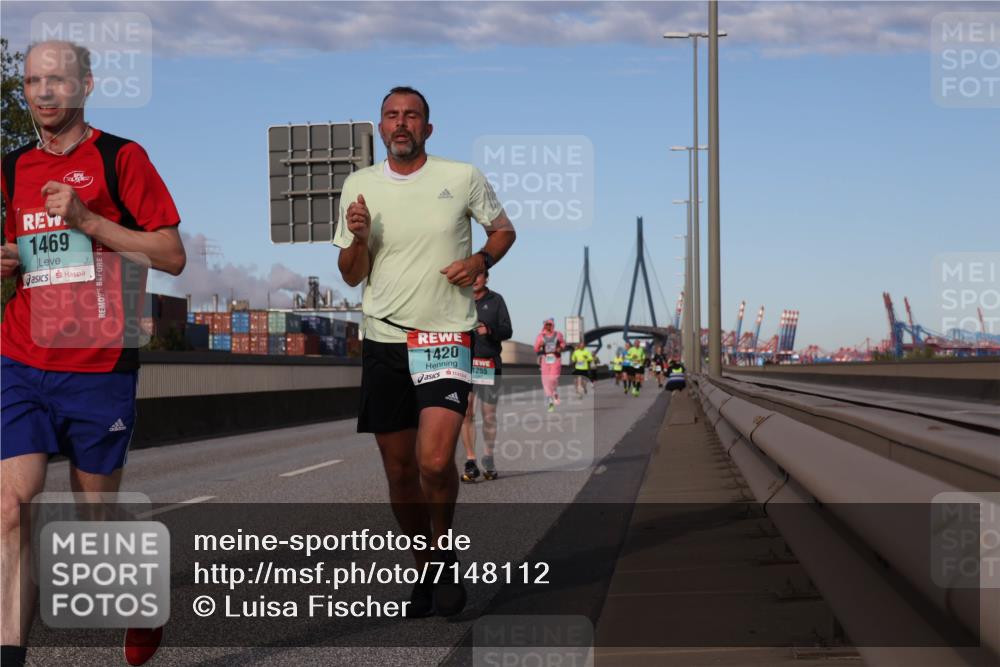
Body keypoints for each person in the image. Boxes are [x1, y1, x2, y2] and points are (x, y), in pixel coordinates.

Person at [1, 41, 186, 667]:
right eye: (32, 81)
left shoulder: (121, 157)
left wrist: (89, 220)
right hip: (20, 356)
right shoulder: (12, 168)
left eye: (57, 80)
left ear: (86, 85)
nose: (44, 93)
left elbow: (170, 255)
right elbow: (30, 254)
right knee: (10, 508)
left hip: (99, 362)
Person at [333, 86, 516, 618]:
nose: (401, 123)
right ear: (381, 127)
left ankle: (445, 551)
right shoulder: (359, 186)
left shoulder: (460, 177)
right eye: (392, 116)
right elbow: (350, 276)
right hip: (384, 340)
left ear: (428, 129)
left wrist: (480, 260)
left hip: (444, 337)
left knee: (435, 462)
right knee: (399, 472)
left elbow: (503, 230)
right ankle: (427, 568)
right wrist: (360, 238)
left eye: (412, 115)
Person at [460, 269, 512, 483]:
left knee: (488, 414)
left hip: (489, 363)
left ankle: (488, 458)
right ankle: (471, 461)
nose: (474, 280)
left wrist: (489, 331)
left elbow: (507, 331)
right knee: (466, 412)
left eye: (478, 276)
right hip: (464, 363)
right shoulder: (459, 298)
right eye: (471, 276)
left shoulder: (496, 300)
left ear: (486, 278)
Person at [533, 318, 565, 412]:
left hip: (556, 359)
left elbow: (563, 343)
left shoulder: (558, 334)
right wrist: (540, 344)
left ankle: (555, 392)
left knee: (553, 378)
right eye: (546, 325)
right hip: (545, 359)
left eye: (549, 325)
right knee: (546, 381)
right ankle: (550, 402)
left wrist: (560, 347)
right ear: (544, 326)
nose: (548, 327)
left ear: (552, 325)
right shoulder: (540, 336)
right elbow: (536, 348)